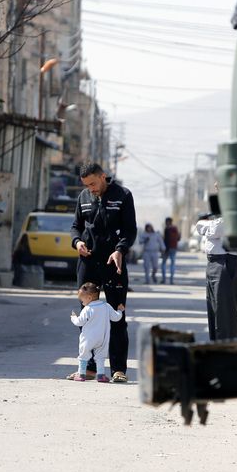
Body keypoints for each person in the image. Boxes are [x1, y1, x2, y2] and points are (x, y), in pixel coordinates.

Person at [70, 162, 136, 384]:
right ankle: (88, 368)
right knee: (87, 318)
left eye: (93, 183)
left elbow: (130, 230)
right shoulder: (84, 197)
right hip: (88, 264)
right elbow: (76, 226)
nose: (91, 189)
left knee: (117, 315)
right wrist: (77, 242)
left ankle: (118, 369)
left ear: (103, 177)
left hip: (113, 264)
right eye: (87, 185)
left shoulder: (123, 196)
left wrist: (120, 250)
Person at [196, 211, 237, 340]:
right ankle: (217, 345)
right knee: (214, 311)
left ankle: (227, 348)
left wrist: (208, 225)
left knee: (225, 313)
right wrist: (212, 226)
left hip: (227, 261)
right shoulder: (219, 207)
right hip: (214, 261)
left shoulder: (233, 203)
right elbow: (199, 225)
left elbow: (220, 227)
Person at [68, 282, 124, 382]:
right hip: (102, 338)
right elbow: (116, 318)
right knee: (100, 357)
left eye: (82, 300)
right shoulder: (106, 306)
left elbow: (79, 322)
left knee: (83, 356)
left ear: (89, 298)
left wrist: (73, 318)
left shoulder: (87, 309)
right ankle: (101, 375)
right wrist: (120, 311)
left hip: (88, 338)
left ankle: (81, 374)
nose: (82, 302)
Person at [162, 217, 180, 283]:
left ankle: (164, 279)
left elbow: (166, 240)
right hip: (173, 248)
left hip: (167, 248)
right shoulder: (175, 229)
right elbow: (178, 238)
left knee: (163, 264)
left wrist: (164, 249)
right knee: (172, 264)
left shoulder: (167, 229)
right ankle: (171, 280)